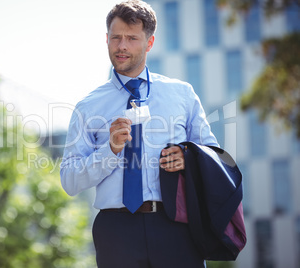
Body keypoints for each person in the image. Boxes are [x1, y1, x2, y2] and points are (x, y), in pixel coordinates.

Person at [60, 0, 219, 267]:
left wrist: (188, 157)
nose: (122, 46)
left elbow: (214, 155)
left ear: (149, 42)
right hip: (116, 230)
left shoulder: (181, 94)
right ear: (106, 39)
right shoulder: (88, 106)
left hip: (176, 226)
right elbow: (69, 180)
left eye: (132, 38)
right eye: (116, 37)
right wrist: (109, 150)